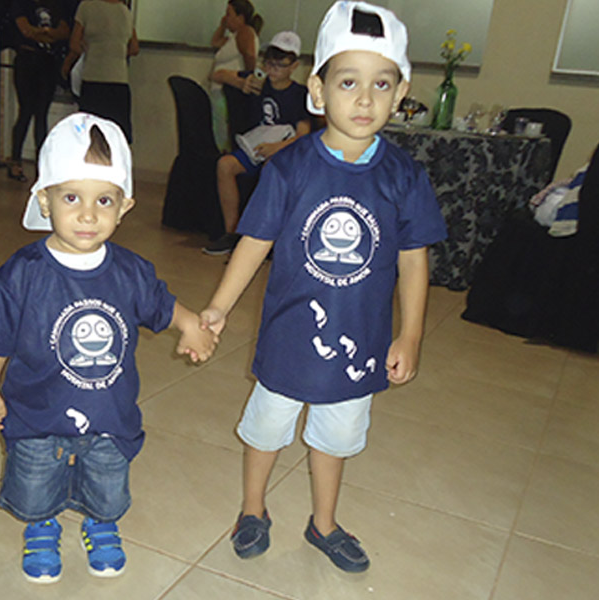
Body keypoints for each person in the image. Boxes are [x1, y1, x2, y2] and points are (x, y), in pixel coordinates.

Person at [193, 1, 447, 572]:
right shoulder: (289, 168)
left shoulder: (405, 177)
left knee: (336, 439)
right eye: (348, 82)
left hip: (360, 342)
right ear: (317, 89)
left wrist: (410, 335)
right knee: (266, 430)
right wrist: (218, 307)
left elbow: (413, 262)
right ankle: (252, 510)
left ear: (401, 93)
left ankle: (323, 523)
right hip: (289, 337)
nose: (365, 99)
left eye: (382, 84)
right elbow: (254, 242)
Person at [0, 112, 217, 582]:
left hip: (108, 413)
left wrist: (189, 325)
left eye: (104, 200)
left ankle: (101, 522)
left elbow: (161, 305)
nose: (87, 214)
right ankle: (42, 524)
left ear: (124, 207)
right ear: (44, 199)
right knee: (35, 476)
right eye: (71, 197)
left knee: (107, 476)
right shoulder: (22, 273)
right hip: (37, 410)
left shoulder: (131, 271)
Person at [203, 31, 312, 255]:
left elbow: (303, 135)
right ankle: (231, 232)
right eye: (269, 64)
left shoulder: (299, 95)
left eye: (279, 65)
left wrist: (276, 148)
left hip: (282, 150)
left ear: (293, 66)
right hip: (254, 146)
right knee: (225, 165)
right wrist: (241, 82)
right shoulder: (258, 81)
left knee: (272, 168)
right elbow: (217, 74)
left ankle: (265, 237)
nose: (272, 70)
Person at [7, 0, 71, 182]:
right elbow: (25, 30)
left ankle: (41, 165)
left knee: (42, 115)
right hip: (27, 60)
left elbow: (64, 32)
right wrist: (49, 34)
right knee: (26, 111)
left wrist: (42, 33)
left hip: (48, 62)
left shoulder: (56, 5)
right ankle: (15, 162)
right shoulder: (22, 4)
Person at [63, 0, 139, 143]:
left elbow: (74, 44)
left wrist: (87, 51)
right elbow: (134, 48)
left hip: (93, 78)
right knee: (117, 136)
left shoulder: (86, 6)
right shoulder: (125, 11)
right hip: (119, 81)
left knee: (90, 135)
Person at [209, 0, 263, 151]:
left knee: (223, 134)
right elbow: (215, 42)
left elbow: (250, 55)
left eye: (229, 14)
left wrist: (245, 77)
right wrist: (223, 25)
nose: (226, 18)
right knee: (218, 131)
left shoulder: (245, 32)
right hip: (221, 90)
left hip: (230, 90)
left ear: (240, 17)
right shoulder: (233, 37)